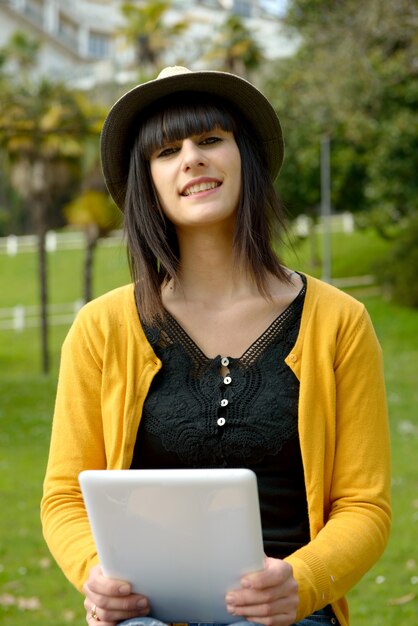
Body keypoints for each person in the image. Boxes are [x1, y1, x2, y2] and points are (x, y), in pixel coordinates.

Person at [41, 66, 391, 626]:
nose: (191, 159)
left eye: (209, 140)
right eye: (165, 151)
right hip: (145, 615)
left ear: (243, 156)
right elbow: (63, 497)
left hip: (288, 614)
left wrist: (299, 584)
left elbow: (363, 505)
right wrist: (93, 573)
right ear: (146, 181)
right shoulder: (100, 327)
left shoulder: (339, 322)